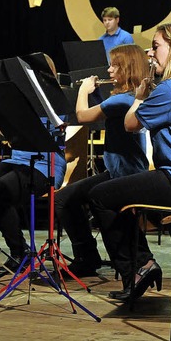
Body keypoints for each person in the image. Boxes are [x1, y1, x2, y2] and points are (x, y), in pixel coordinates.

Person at [88, 22, 171, 301]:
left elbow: (129, 124)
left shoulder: (170, 88)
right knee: (119, 194)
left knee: (100, 196)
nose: (150, 53)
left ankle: (136, 269)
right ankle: (143, 263)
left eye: (156, 46)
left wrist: (139, 97)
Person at [0, 54, 66, 275]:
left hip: (44, 164)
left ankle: (20, 253)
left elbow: (50, 131)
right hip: (17, 159)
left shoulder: (55, 97)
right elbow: (12, 133)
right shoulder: (21, 95)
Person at [54, 44, 150, 277]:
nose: (109, 70)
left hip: (124, 175)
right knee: (67, 199)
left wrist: (83, 90)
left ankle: (90, 258)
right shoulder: (129, 97)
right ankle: (92, 257)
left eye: (115, 66)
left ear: (127, 68)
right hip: (124, 171)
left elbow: (82, 116)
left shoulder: (122, 101)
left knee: (64, 200)